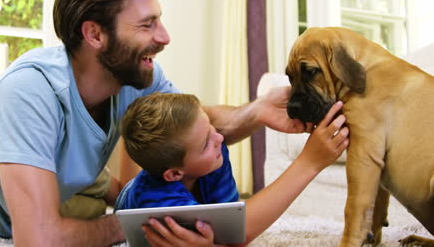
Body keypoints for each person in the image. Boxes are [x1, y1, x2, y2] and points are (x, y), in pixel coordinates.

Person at [0, 0, 348, 246]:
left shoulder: (136, 74)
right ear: (95, 35)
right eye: (147, 24)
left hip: (69, 187)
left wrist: (257, 111)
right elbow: (39, 240)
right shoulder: (30, 92)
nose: (164, 36)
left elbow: (184, 129)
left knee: (102, 193)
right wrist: (138, 223)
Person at [113, 92, 348, 246]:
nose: (219, 138)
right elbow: (240, 232)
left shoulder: (215, 154)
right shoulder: (156, 199)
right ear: (174, 174)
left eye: (210, 126)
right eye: (205, 143)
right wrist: (309, 162)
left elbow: (233, 228)